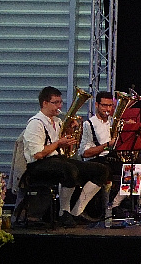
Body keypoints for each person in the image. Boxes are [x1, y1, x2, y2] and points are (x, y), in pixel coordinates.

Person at [21, 86, 109, 227]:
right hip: (38, 165)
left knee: (100, 170)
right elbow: (37, 154)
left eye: (60, 102)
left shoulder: (57, 122)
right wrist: (58, 143)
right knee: (69, 170)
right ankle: (64, 212)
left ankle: (77, 211)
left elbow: (66, 150)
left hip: (57, 160)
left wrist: (69, 134)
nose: (60, 106)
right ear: (45, 103)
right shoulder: (36, 123)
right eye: (55, 102)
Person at [78, 91, 130, 216]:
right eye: (104, 105)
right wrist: (107, 145)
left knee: (135, 170)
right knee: (106, 170)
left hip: (113, 158)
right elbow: (84, 153)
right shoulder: (89, 124)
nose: (108, 109)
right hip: (97, 159)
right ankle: (97, 208)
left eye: (110, 106)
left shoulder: (115, 122)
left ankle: (116, 203)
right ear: (97, 105)